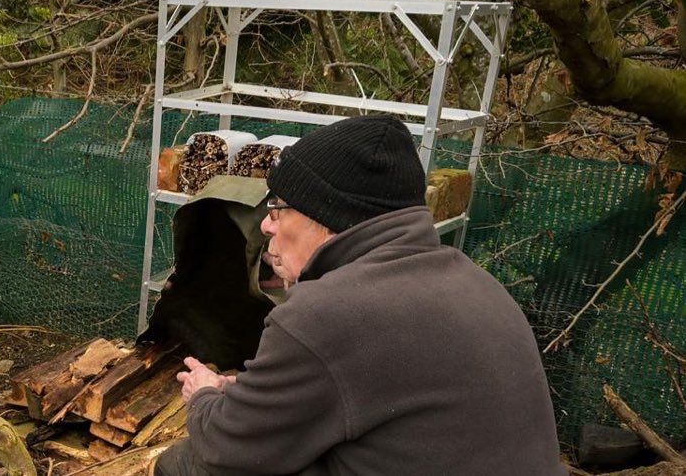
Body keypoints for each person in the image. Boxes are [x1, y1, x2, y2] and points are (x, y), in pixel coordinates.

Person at [155, 115, 564, 475]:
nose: (266, 226)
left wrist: (205, 395)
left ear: (327, 217)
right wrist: (252, 395)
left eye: (278, 208)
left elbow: (228, 449)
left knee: (187, 465)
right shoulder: (473, 281)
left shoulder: (328, 313)